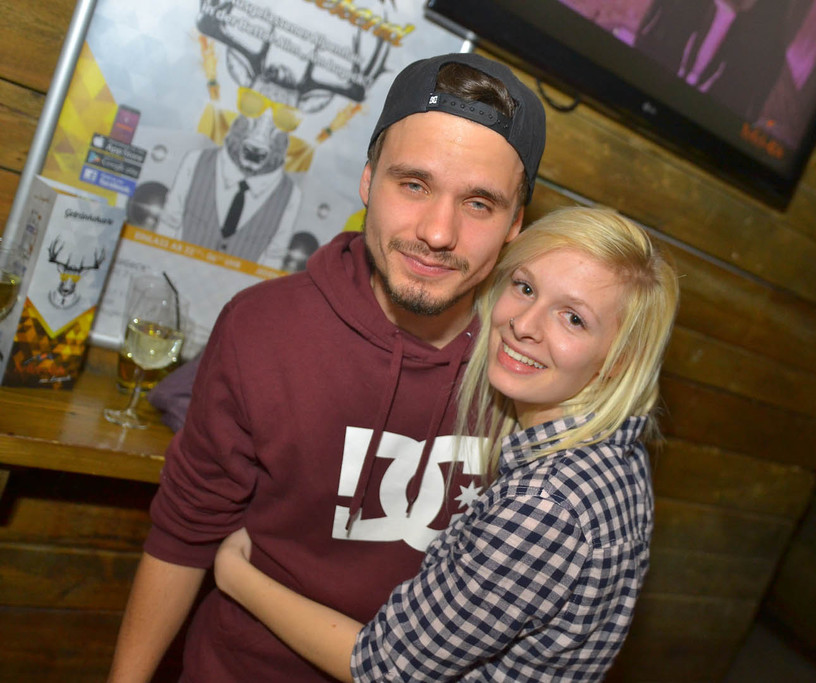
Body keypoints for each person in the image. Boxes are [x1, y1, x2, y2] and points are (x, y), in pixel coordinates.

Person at [107, 52, 546, 683]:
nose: (437, 232)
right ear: (368, 181)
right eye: (413, 184)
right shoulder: (262, 327)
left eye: (479, 203)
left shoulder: (535, 373)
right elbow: (184, 534)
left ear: (515, 224)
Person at [213, 206, 681, 681]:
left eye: (573, 319)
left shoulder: (545, 506)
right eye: (525, 288)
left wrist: (235, 575)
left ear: (619, 360)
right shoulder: (618, 452)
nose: (524, 324)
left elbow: (382, 668)